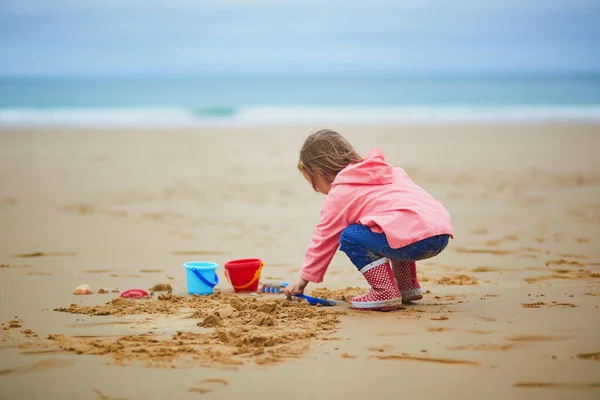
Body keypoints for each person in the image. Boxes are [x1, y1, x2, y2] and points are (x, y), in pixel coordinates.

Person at [284, 129, 454, 311]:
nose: (314, 188)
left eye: (311, 181)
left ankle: (385, 291)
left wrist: (304, 279)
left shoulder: (339, 193)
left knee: (350, 235)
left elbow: (324, 238)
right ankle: (407, 286)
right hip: (440, 233)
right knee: (391, 226)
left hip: (414, 240)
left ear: (317, 171)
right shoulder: (391, 171)